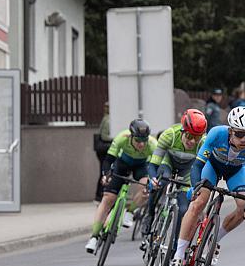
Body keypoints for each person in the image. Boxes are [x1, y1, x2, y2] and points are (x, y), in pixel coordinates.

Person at [165, 106, 245, 266]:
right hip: (212, 166)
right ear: (230, 131)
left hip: (236, 172)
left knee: (243, 208)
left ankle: (214, 240)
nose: (244, 139)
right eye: (239, 134)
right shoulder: (216, 134)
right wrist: (195, 186)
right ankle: (178, 256)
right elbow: (197, 166)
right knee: (199, 203)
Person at [85, 119, 157, 253]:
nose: (141, 144)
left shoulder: (153, 144)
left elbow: (156, 165)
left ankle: (130, 212)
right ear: (130, 136)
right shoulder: (121, 138)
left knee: (146, 186)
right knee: (107, 199)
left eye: (144, 140)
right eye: (137, 140)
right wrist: (105, 175)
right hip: (122, 164)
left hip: (141, 166)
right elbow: (108, 160)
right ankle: (94, 237)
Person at [142, 108, 207, 245]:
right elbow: (153, 164)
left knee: (184, 209)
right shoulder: (170, 135)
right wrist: (153, 178)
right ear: (182, 131)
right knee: (162, 180)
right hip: (168, 162)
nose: (192, 142)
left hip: (188, 169)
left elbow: (203, 170)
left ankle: (175, 246)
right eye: (189, 136)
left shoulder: (203, 143)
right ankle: (150, 213)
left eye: (197, 137)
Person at [93, 101, 111, 202]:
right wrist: (115, 137)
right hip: (105, 150)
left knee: (103, 172)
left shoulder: (106, 118)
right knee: (104, 172)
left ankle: (99, 194)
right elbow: (104, 136)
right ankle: (99, 194)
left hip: (102, 151)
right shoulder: (108, 120)